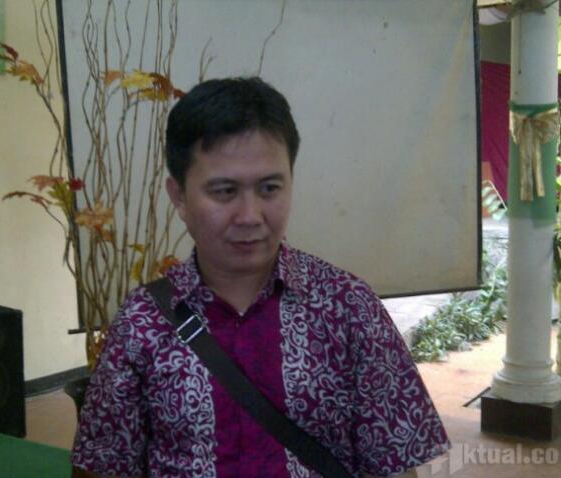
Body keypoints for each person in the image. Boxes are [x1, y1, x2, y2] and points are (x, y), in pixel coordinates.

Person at [71, 77, 450, 478]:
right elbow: (102, 465)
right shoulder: (143, 321)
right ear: (179, 196)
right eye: (224, 191)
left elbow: (397, 461)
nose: (250, 216)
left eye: (269, 188)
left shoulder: (348, 307)